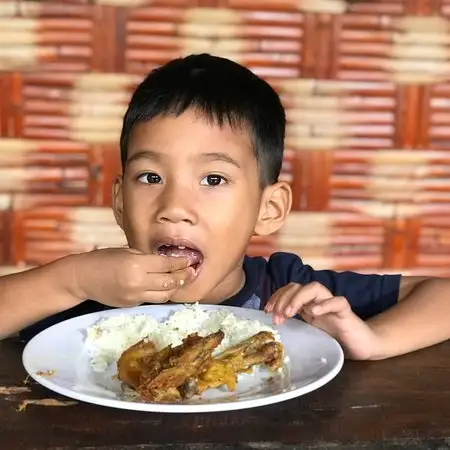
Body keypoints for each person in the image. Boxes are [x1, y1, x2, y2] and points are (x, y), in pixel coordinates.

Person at [1, 54, 449, 360]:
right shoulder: (93, 292)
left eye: (213, 180)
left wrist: (372, 341)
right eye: (150, 178)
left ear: (268, 208)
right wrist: (71, 278)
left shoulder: (286, 293)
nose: (174, 206)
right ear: (119, 201)